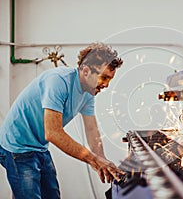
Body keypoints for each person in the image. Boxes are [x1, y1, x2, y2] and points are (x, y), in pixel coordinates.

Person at [0, 42, 125, 199]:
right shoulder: (58, 81)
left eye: (110, 79)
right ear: (86, 71)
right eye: (104, 77)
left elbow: (92, 129)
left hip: (39, 147)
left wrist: (102, 159)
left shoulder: (89, 92)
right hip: (16, 146)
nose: (106, 85)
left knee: (52, 195)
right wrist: (94, 160)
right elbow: (53, 133)